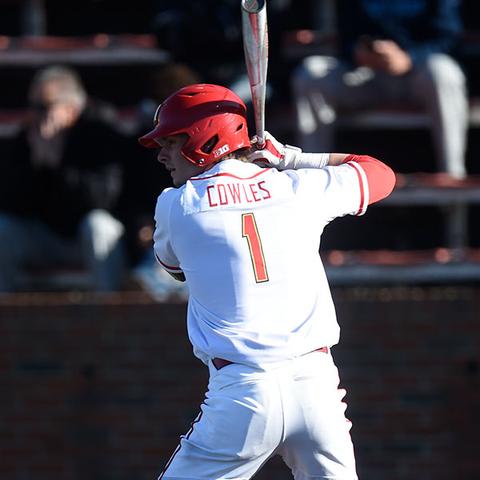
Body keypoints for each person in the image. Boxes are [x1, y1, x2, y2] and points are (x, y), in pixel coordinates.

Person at [138, 83, 395, 479]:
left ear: (203, 141)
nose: (163, 155)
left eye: (172, 142)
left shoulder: (176, 205)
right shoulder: (298, 187)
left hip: (241, 393)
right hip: (318, 391)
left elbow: (174, 269)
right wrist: (291, 159)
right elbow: (379, 173)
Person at [292, 0, 469, 179]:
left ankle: (452, 176)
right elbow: (346, 36)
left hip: (419, 75)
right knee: (311, 73)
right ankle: (310, 177)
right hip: (366, 76)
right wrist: (360, 51)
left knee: (444, 72)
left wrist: (409, 59)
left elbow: (450, 39)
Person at [0, 66, 127, 292]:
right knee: (3, 229)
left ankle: (111, 317)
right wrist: (37, 166)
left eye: (43, 107)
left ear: (71, 109)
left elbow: (102, 200)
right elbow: (11, 203)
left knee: (99, 226)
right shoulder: (27, 137)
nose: (35, 114)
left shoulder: (98, 131)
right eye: (31, 106)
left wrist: (59, 165)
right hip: (44, 238)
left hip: (83, 238)